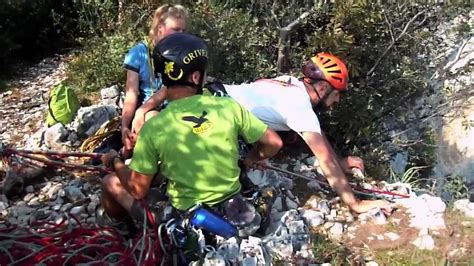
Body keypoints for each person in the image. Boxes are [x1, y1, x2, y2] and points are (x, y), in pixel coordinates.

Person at [99, 32, 283, 228]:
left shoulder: (154, 126)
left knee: (110, 182)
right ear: (195, 77)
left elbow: (137, 189)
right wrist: (252, 159)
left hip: (185, 219)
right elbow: (274, 142)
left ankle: (117, 228)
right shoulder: (228, 106)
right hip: (233, 205)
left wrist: (114, 161)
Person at [215, 53, 391, 214]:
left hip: (214, 95)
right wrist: (356, 204)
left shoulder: (289, 82)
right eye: (337, 94)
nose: (337, 100)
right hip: (215, 119)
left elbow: (317, 133)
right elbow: (325, 161)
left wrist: (341, 162)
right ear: (322, 88)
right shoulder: (300, 108)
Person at [121, 4, 187, 158]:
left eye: (184, 31)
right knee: (152, 119)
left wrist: (141, 111)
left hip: (175, 107)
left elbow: (170, 89)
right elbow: (131, 93)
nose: (181, 35)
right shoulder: (138, 53)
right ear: (160, 28)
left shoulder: (183, 52)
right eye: (176, 30)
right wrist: (124, 126)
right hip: (149, 109)